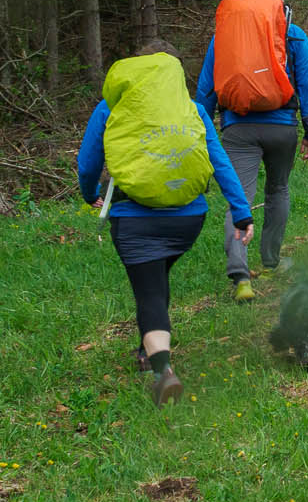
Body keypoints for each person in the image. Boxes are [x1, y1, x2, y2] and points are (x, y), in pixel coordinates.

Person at [77, 39, 253, 406]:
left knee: (149, 293)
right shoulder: (192, 110)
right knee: (156, 279)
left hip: (135, 220)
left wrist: (89, 191)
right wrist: (241, 212)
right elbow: (220, 164)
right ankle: (145, 352)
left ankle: (163, 371)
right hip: (188, 219)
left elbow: (88, 162)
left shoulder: (111, 106)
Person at [195, 0, 308, 301]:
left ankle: (240, 277)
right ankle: (270, 261)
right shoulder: (294, 34)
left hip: (238, 129)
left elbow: (206, 89)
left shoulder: (224, 36)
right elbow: (307, 87)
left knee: (240, 197)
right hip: (282, 129)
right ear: (280, 5)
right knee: (278, 189)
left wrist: (201, 126)